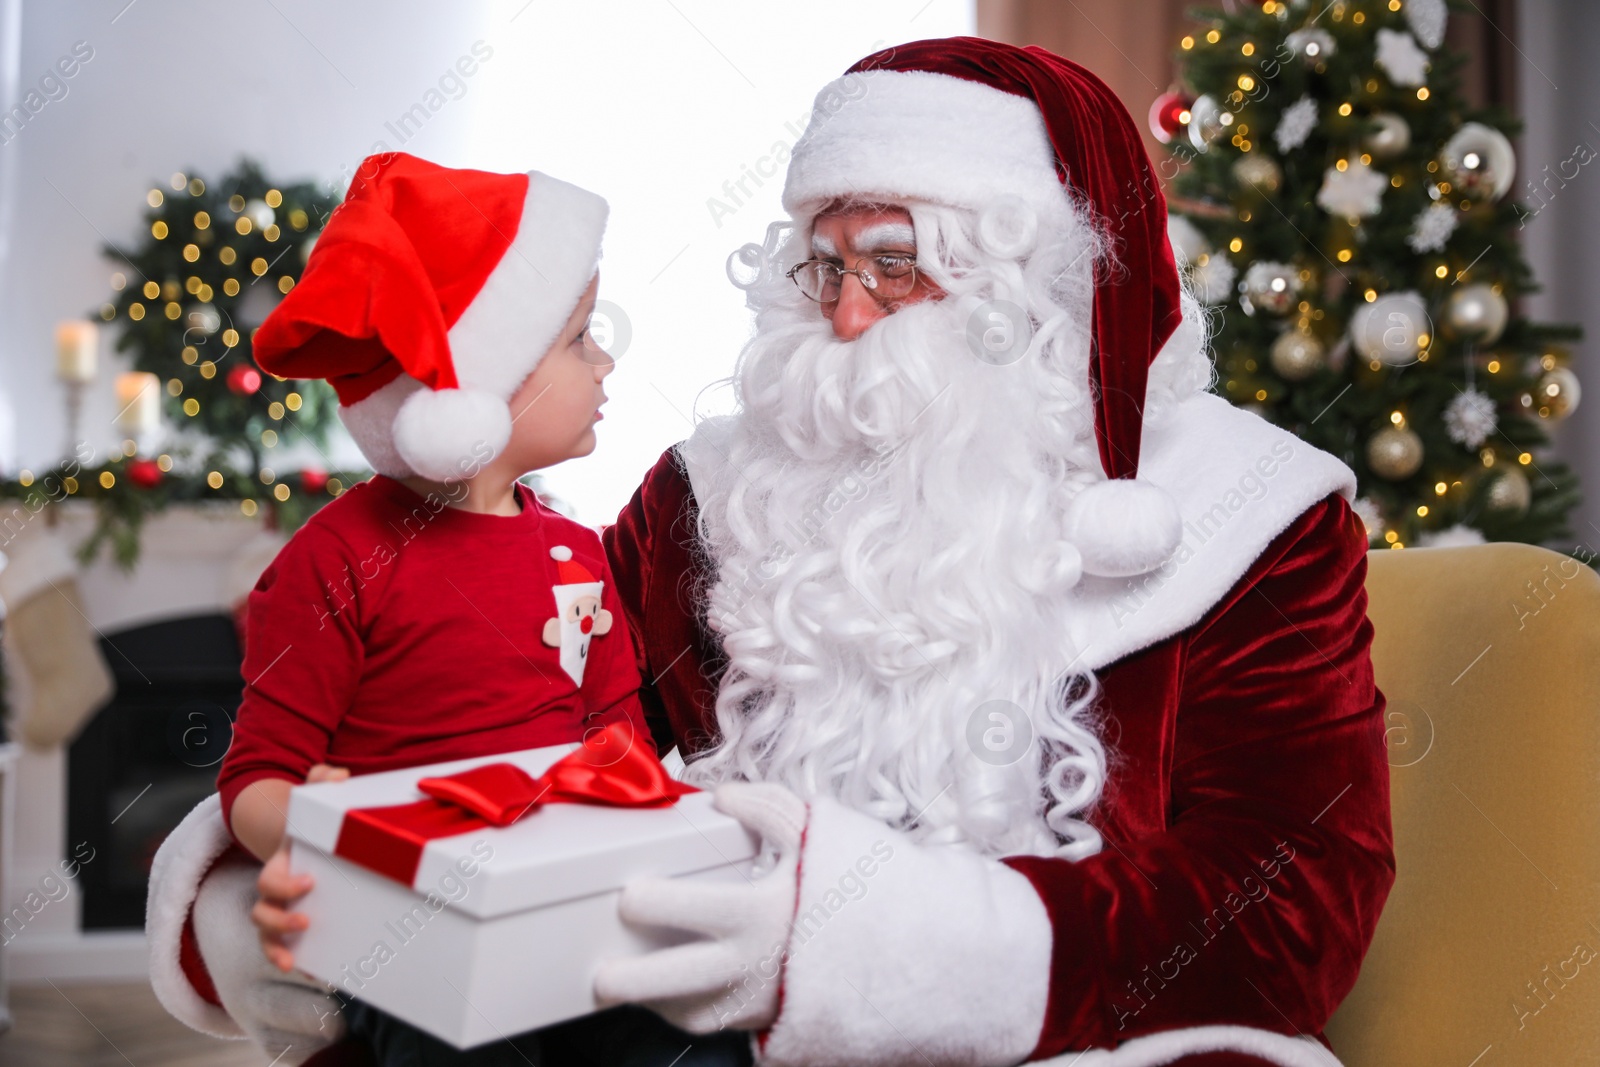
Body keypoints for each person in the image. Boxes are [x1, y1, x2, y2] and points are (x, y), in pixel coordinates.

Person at [152, 39, 1393, 1067]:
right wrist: (339, 889)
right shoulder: (712, 492)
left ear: (1035, 287)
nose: (846, 319)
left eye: (895, 270)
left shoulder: (1249, 516)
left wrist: (857, 947)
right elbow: (511, 741)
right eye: (826, 267)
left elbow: (1284, 908)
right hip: (669, 1017)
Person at [150, 152, 749, 1067]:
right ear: (476, 391)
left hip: (567, 915)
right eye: (581, 337)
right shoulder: (337, 560)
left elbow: (622, 753)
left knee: (689, 1046)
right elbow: (259, 780)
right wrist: (319, 838)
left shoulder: (577, 553)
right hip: (412, 938)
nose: (606, 357)